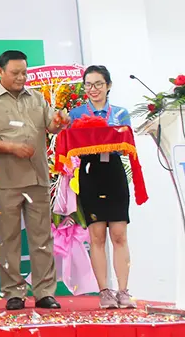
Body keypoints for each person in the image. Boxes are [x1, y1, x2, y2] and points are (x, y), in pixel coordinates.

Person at [0, 50, 69, 310]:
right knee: (9, 240)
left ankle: (45, 292)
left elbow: (52, 125)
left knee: (42, 239)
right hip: (4, 180)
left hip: (37, 179)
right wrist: (11, 147)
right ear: (0, 72)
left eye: (24, 72)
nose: (21, 77)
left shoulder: (36, 98)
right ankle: (13, 292)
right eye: (15, 73)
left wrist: (60, 121)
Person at [68, 65, 136, 309]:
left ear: (108, 85)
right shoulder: (76, 114)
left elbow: (127, 145)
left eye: (98, 84)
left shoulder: (120, 113)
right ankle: (105, 292)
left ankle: (123, 291)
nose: (93, 89)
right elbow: (71, 147)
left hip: (114, 173)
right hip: (90, 174)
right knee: (96, 236)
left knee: (119, 235)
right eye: (88, 84)